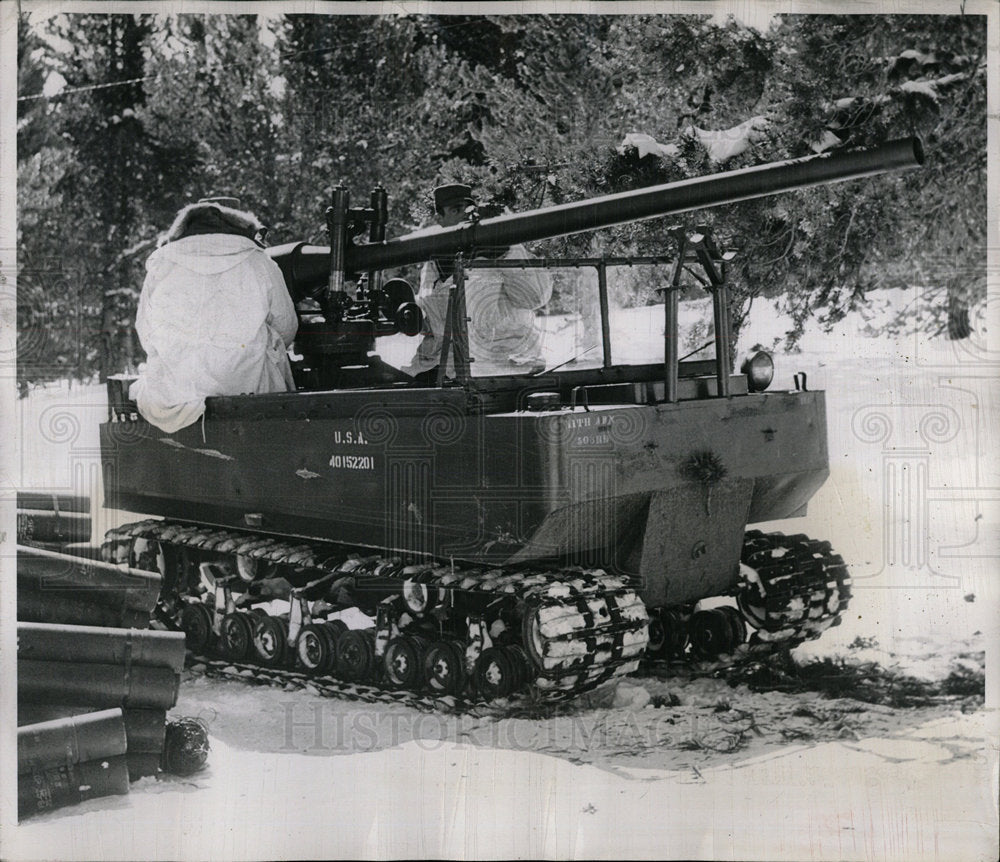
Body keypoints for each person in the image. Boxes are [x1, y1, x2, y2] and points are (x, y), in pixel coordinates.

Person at [130, 198, 298, 432]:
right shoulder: (259, 261)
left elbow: (146, 332)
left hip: (177, 391)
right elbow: (287, 327)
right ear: (239, 224)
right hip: (250, 387)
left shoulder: (162, 263)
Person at [403, 183, 553, 382]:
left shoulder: (502, 247)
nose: (465, 215)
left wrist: (505, 252)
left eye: (468, 208)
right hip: (445, 368)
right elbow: (434, 320)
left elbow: (535, 297)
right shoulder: (435, 261)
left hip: (502, 365)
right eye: (456, 210)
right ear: (440, 219)